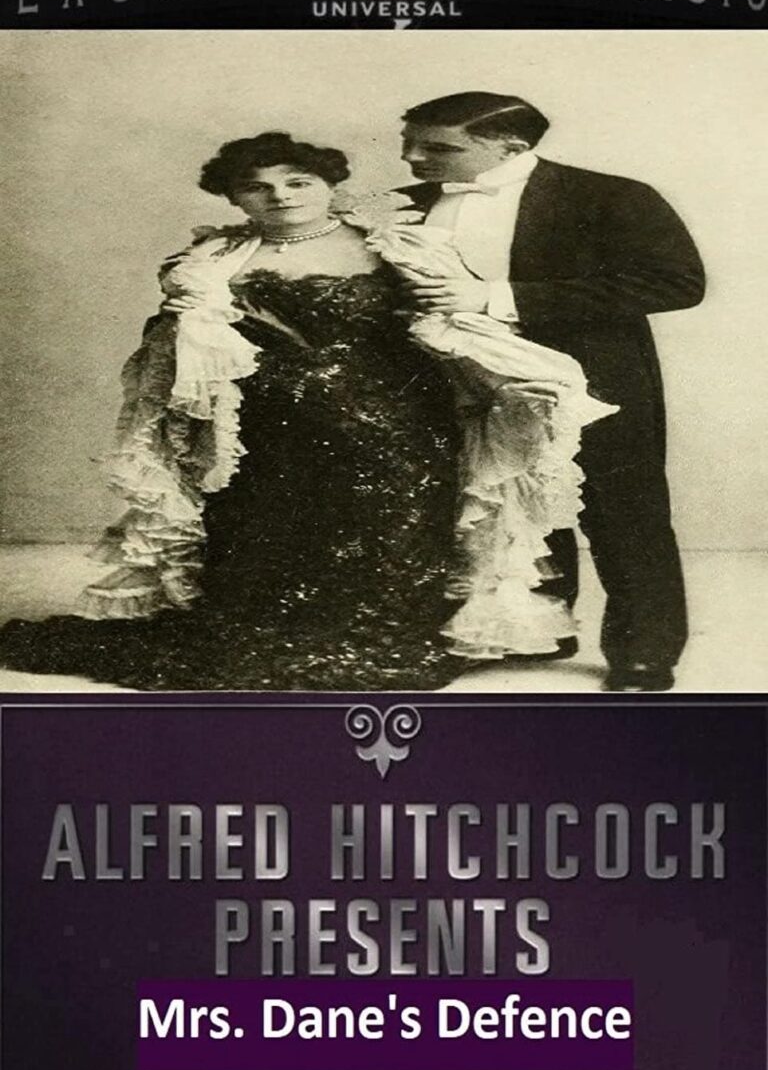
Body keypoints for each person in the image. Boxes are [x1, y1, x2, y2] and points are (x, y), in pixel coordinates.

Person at [0, 132, 464, 691]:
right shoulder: (212, 259)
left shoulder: (393, 244)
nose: (281, 196)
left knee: (382, 524)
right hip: (267, 424)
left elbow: (447, 326)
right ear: (234, 198)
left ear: (330, 185)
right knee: (266, 527)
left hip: (389, 417)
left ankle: (377, 627)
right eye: (256, 187)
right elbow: (181, 348)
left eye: (299, 182)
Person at [396, 91, 705, 692]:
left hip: (588, 379)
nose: (411, 158)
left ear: (511, 147)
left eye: (438, 148)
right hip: (455, 380)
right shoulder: (405, 204)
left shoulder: (611, 196)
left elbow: (677, 282)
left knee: (621, 511)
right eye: (408, 142)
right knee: (500, 504)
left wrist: (499, 298)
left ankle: (644, 652)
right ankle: (533, 630)